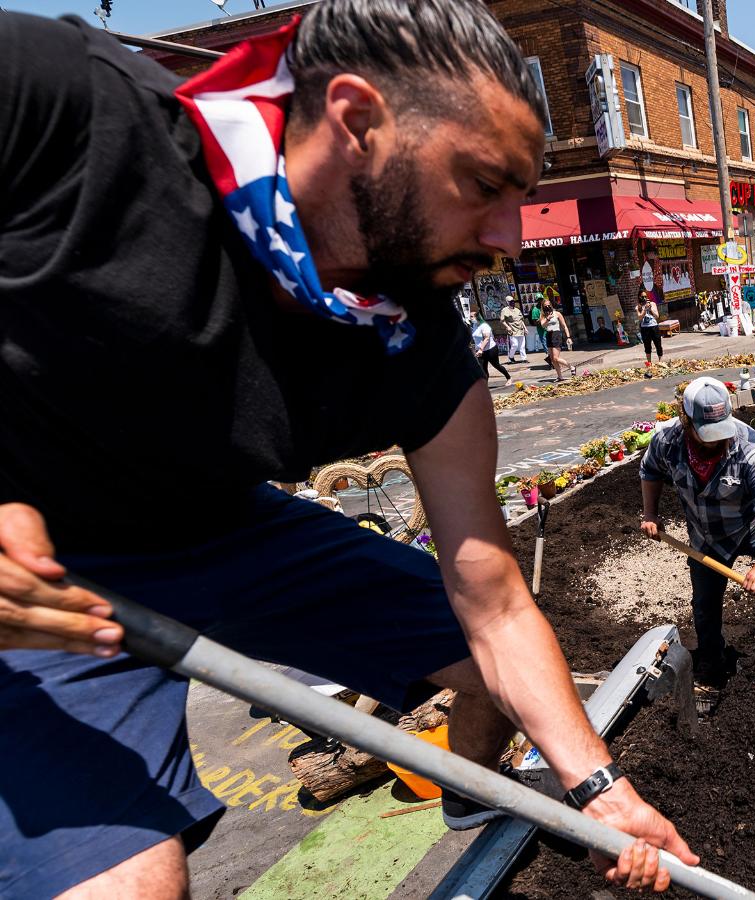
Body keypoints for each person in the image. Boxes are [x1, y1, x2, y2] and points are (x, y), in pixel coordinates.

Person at [0, 1, 694, 895]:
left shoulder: (423, 344)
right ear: (359, 120)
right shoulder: (68, 112)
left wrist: (600, 789)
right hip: (48, 575)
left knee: (510, 677)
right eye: (483, 185)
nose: (507, 240)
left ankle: (472, 798)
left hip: (226, 530)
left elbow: (494, 605)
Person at [638, 378, 755, 686]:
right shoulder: (667, 441)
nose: (716, 440)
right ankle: (713, 660)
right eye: (707, 433)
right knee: (705, 604)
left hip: (754, 527)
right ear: (686, 420)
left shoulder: (749, 448)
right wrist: (650, 513)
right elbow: (650, 471)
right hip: (706, 536)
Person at [473, 313, 513, 382]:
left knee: (496, 365)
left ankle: (509, 377)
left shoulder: (485, 326)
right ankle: (485, 386)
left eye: (472, 316)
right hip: (480, 351)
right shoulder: (475, 325)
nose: (470, 318)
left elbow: (487, 338)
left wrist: (480, 349)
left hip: (490, 350)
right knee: (482, 369)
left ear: (478, 317)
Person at [541, 299, 573, 381]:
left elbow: (564, 326)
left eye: (549, 305)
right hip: (548, 335)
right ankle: (560, 376)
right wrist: (547, 318)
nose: (547, 307)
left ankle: (571, 367)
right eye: (545, 306)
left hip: (556, 335)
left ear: (551, 305)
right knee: (552, 359)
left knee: (556, 358)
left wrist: (568, 337)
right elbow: (543, 326)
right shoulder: (543, 315)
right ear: (543, 307)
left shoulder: (557, 313)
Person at [500, 295, 528, 363]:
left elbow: (521, 320)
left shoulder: (517, 310)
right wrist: (507, 327)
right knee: (515, 345)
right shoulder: (504, 310)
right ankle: (511, 356)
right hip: (512, 330)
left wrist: (525, 328)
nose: (512, 302)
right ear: (507, 302)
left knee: (522, 345)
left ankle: (524, 359)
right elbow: (502, 320)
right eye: (510, 301)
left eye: (513, 301)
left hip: (520, 330)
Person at [638, 294, 664, 366]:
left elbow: (657, 316)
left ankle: (660, 362)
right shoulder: (638, 306)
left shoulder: (653, 304)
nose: (644, 298)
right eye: (642, 297)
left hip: (654, 327)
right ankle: (649, 363)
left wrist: (650, 309)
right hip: (645, 328)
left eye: (645, 296)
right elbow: (640, 318)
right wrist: (645, 309)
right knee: (647, 346)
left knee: (658, 344)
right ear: (639, 297)